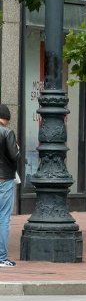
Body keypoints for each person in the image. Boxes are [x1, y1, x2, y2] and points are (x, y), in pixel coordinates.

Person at [0, 105, 18, 267]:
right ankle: (2, 258)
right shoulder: (7, 133)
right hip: (4, 179)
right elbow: (14, 155)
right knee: (3, 218)